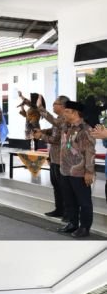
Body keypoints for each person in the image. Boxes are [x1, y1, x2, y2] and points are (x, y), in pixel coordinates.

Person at [56, 101, 95, 238]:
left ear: (76, 113)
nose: (64, 113)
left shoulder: (85, 129)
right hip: (65, 170)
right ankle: (73, 223)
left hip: (79, 172)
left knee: (84, 202)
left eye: (67, 111)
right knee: (69, 200)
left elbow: (90, 151)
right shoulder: (67, 127)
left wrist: (89, 172)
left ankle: (84, 227)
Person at [35, 96, 70, 219]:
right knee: (56, 186)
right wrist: (43, 131)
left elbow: (56, 139)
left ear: (63, 106)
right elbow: (54, 129)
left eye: (56, 103)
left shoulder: (65, 119)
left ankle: (67, 213)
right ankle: (59, 209)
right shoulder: (59, 119)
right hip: (54, 158)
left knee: (63, 187)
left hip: (62, 159)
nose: (53, 105)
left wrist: (40, 108)